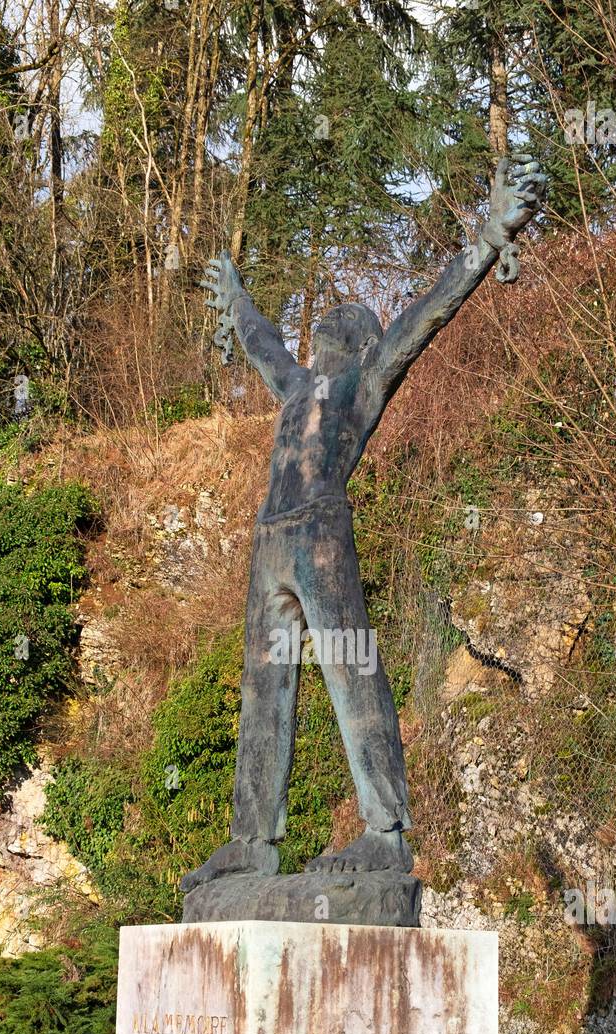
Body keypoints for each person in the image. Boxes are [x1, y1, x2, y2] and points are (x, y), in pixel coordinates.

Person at [181, 154, 546, 891]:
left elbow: (427, 313)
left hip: (318, 530)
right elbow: (261, 344)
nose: (319, 327)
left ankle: (385, 831)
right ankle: (252, 840)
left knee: (351, 670)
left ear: (354, 336)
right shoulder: (296, 385)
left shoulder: (365, 377)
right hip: (271, 538)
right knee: (264, 686)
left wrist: (485, 237)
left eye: (333, 324)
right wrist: (237, 299)